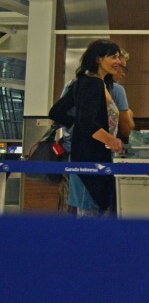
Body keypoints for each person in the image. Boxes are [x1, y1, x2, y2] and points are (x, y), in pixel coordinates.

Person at [50, 40, 124, 215]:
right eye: (113, 57)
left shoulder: (84, 82)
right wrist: (111, 140)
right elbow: (88, 122)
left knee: (95, 210)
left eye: (118, 57)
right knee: (90, 212)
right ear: (98, 59)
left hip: (87, 155)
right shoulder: (92, 84)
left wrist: (76, 127)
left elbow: (57, 112)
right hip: (90, 157)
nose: (118, 62)